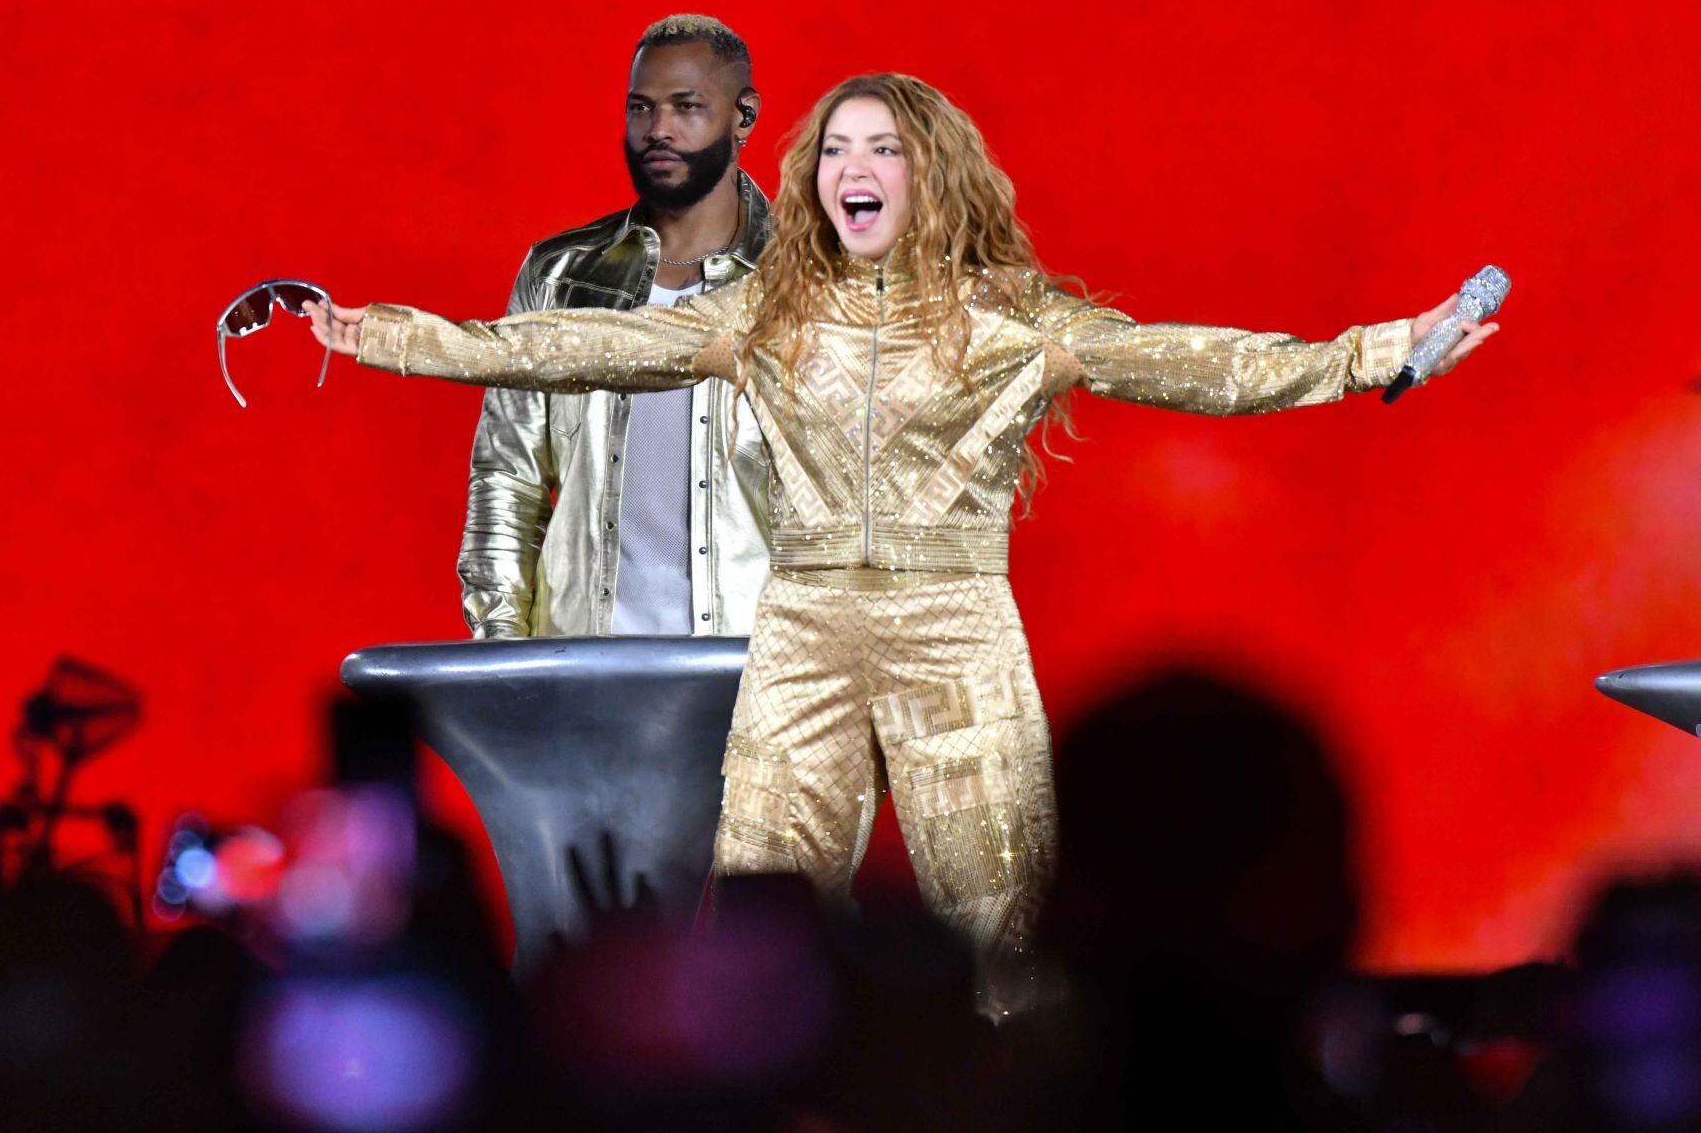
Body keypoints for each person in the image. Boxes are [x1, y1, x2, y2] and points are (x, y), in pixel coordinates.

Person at [303, 73, 1496, 1011]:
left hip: (955, 630)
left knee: (1002, 930)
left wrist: (1381, 352)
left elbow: (1200, 362)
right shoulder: (762, 316)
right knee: (763, 935)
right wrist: (367, 331)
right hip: (807, 630)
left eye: (882, 149)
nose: (852, 169)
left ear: (934, 176)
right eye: (835, 150)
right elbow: (556, 347)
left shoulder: (1012, 321)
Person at [458, 14, 773, 639]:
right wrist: (501, 665)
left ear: (744, 116)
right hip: (585, 675)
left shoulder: (806, 283)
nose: (658, 130)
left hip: (759, 683)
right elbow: (507, 478)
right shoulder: (560, 277)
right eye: (641, 108)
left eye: (687, 107)